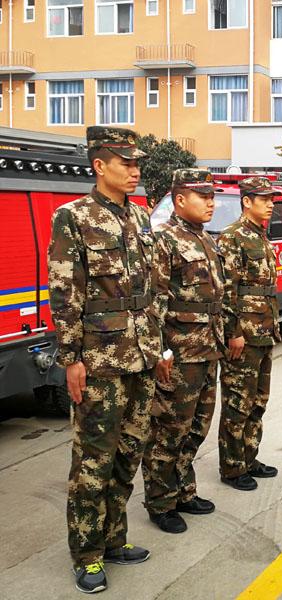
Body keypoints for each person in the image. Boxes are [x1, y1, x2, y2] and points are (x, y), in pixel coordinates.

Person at [47, 127, 160, 594]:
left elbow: (153, 288)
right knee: (94, 460)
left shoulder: (140, 216)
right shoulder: (72, 217)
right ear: (99, 165)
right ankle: (87, 555)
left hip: (142, 356)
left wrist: (159, 349)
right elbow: (64, 291)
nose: (134, 171)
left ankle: (114, 539)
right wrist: (71, 357)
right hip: (99, 360)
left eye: (137, 164)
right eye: (125, 163)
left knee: (129, 454)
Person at [141, 169, 225, 533]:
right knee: (170, 429)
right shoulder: (164, 239)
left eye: (212, 196)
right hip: (180, 352)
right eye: (203, 196)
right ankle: (160, 502)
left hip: (208, 348)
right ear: (179, 199)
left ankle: (184, 492)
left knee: (196, 427)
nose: (211, 203)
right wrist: (160, 350)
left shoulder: (205, 239)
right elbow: (154, 299)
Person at [218, 177, 282, 491]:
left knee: (258, 401)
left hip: (265, 330)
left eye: (272, 199)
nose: (270, 204)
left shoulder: (261, 236)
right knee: (237, 403)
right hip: (244, 333)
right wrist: (233, 332)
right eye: (264, 199)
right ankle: (232, 468)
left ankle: (249, 457)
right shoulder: (232, 237)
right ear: (247, 201)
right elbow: (227, 290)